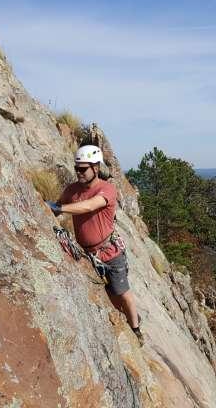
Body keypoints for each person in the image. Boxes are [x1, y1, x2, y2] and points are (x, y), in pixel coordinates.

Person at [50, 145, 142, 342]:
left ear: (96, 168)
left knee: (121, 292)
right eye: (77, 168)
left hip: (110, 252)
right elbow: (58, 205)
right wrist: (52, 209)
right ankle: (121, 319)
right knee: (109, 296)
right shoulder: (72, 190)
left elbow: (90, 205)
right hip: (87, 254)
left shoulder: (107, 189)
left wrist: (61, 209)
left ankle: (135, 328)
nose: (79, 172)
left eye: (83, 169)